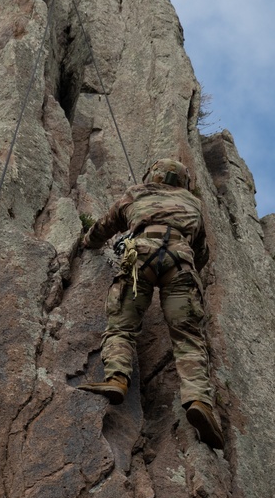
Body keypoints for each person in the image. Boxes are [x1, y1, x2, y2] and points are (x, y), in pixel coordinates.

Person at [77, 158, 225, 450]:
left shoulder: (137, 193)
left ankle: (117, 378)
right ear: (183, 181)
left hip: (140, 256)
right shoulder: (192, 203)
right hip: (181, 264)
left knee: (121, 326)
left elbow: (106, 225)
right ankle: (198, 400)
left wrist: (87, 241)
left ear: (153, 175)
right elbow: (202, 253)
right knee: (188, 338)